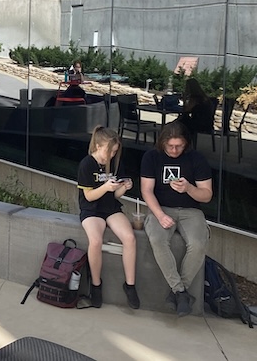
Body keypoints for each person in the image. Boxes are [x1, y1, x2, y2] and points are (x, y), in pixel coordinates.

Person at [140, 121, 212, 317]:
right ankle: (181, 292)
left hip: (191, 210)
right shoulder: (152, 157)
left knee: (198, 243)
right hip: (161, 207)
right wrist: (160, 215)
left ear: (186, 144)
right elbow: (146, 191)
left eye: (178, 146)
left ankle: (178, 292)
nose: (174, 150)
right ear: (162, 143)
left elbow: (207, 195)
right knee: (157, 239)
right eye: (170, 146)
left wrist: (189, 188)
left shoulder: (196, 159)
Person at [77, 126, 139, 309]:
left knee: (129, 238)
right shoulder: (86, 164)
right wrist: (105, 187)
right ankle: (96, 285)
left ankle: (130, 285)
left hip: (110, 207)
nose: (112, 155)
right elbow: (88, 196)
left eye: (114, 151)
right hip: (91, 208)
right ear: (97, 146)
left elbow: (115, 195)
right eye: (109, 150)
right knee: (95, 241)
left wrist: (124, 187)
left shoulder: (115, 163)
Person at [177, 78, 213, 146]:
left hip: (199, 124)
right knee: (181, 120)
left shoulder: (195, 98)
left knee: (179, 122)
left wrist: (185, 99)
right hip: (207, 124)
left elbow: (186, 110)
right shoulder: (204, 98)